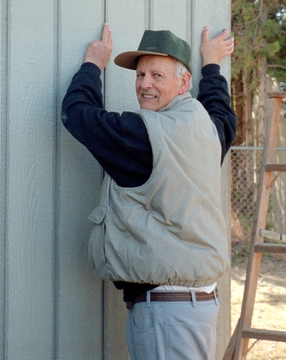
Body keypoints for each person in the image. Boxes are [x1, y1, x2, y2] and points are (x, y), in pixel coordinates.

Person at [62, 23, 237, 360]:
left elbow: (78, 116)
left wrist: (92, 66)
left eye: (157, 76)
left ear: (184, 82)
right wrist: (212, 66)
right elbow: (222, 114)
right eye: (140, 75)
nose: (144, 84)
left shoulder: (144, 135)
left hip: (167, 314)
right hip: (191, 307)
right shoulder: (206, 129)